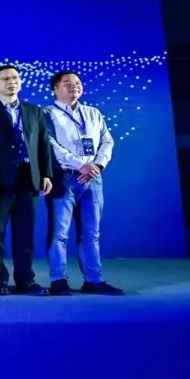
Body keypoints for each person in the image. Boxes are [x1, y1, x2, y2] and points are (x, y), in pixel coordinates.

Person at [44, 70, 122, 295]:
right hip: (64, 177)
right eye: (67, 84)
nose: (74, 87)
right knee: (59, 232)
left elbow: (107, 141)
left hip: (93, 178)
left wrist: (97, 165)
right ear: (55, 89)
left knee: (91, 233)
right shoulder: (46, 114)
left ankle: (93, 280)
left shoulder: (93, 112)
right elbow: (49, 144)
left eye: (77, 83)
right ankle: (58, 279)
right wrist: (80, 164)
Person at [0, 64, 53, 296]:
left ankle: (26, 280)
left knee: (25, 234)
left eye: (15, 78)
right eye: (5, 79)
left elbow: (43, 144)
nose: (11, 82)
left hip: (28, 178)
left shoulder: (34, 111)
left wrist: (46, 174)